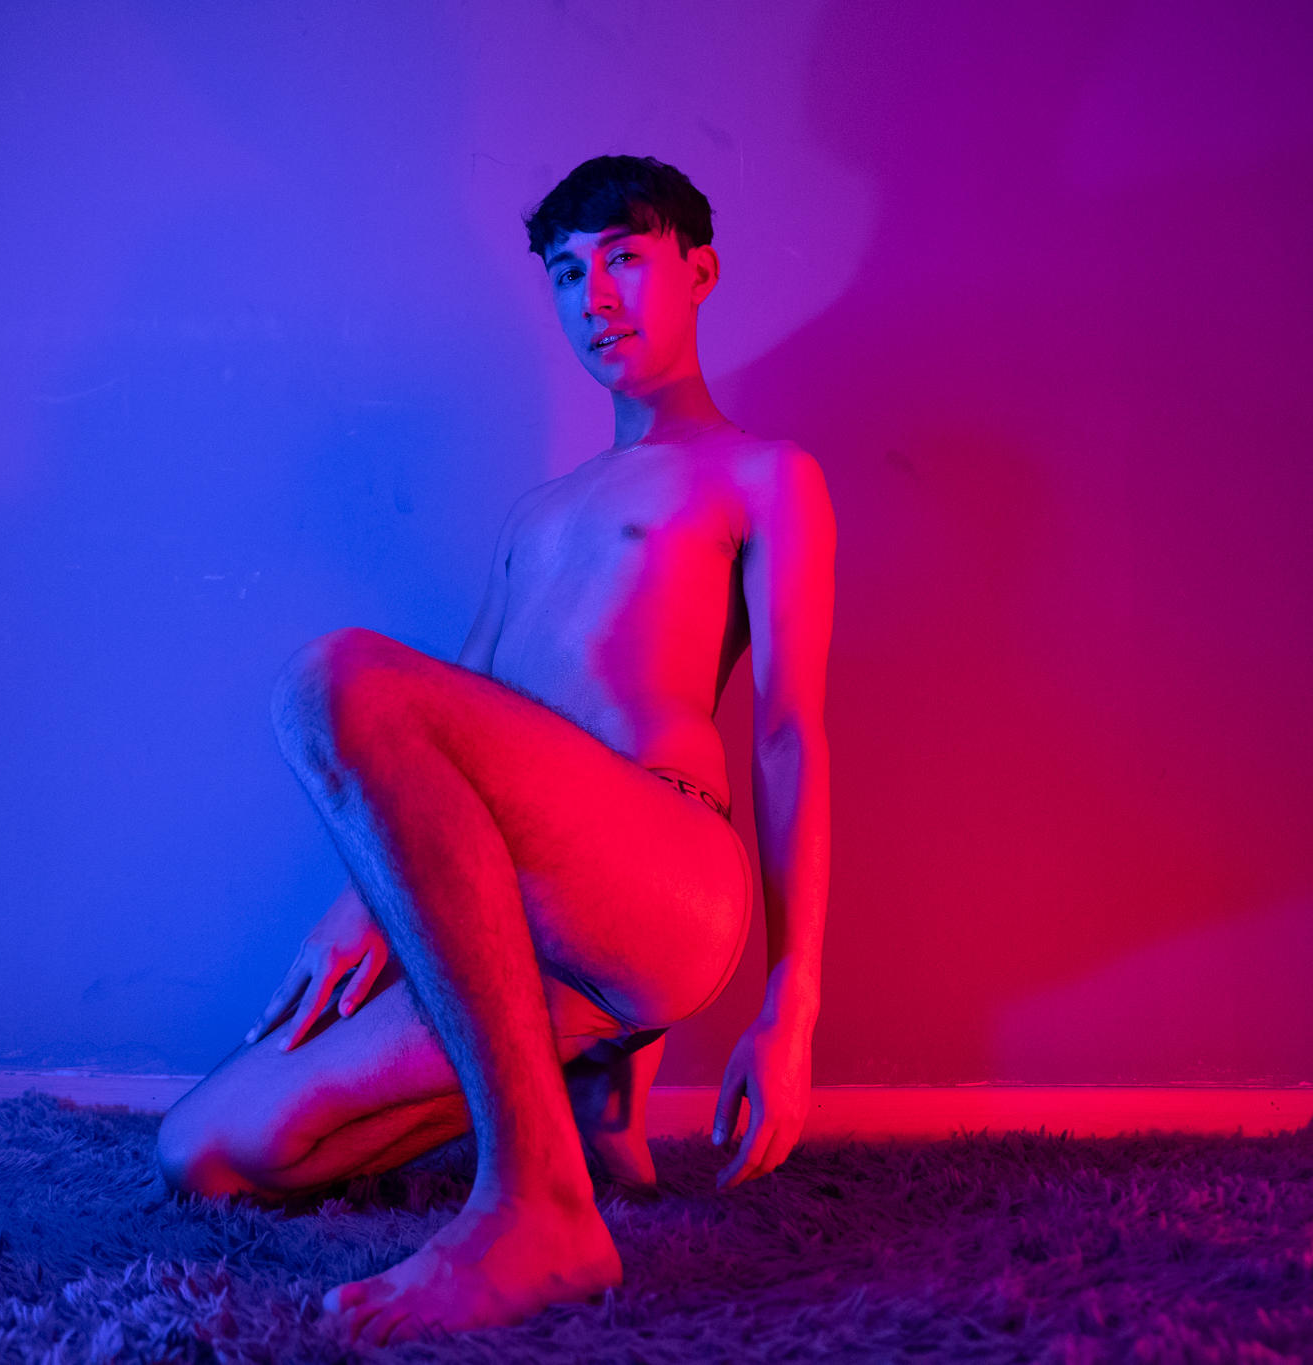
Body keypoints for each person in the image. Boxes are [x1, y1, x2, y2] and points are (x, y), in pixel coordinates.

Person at [156, 154, 835, 1345]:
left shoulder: (760, 476)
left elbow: (786, 735)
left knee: (333, 677)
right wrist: (367, 901)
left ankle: (536, 1207)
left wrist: (792, 1003)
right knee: (205, 1150)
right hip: (512, 916)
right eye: (567, 273)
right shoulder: (537, 515)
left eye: (624, 258)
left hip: (659, 875)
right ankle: (566, 1099)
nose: (595, 296)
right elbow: (456, 713)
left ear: (699, 271)